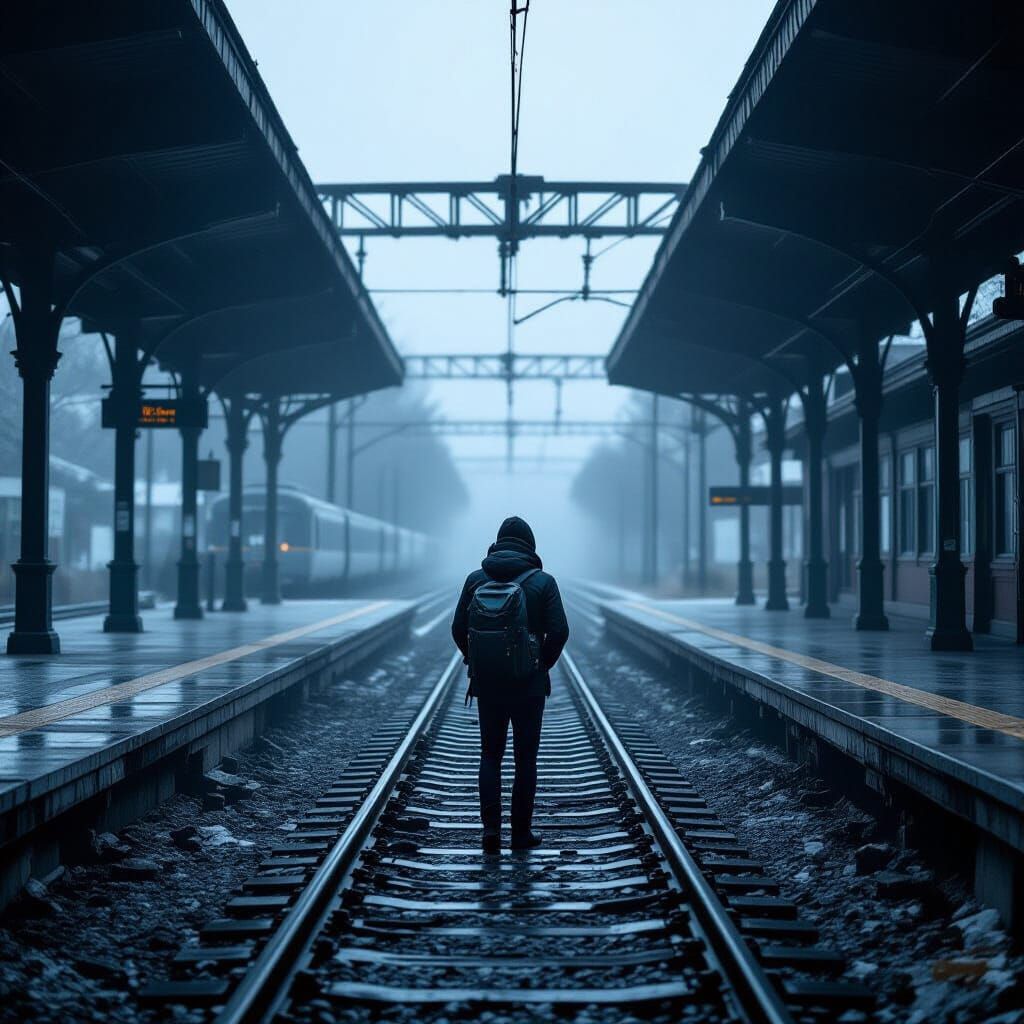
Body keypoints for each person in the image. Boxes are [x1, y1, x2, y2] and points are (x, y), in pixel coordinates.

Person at [452, 516, 570, 853]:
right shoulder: (543, 582)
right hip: (528, 687)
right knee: (525, 759)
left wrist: (476, 660)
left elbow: (458, 628)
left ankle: (490, 832)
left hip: (488, 684)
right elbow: (560, 631)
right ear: (530, 546)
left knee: (490, 754)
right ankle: (520, 834)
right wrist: (540, 665)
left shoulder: (476, 579)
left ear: (497, 543)